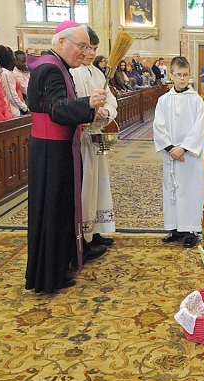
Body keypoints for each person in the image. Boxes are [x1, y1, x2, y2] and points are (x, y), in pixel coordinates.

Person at [25, 20, 109, 294]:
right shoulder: (50, 69)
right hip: (51, 152)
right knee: (54, 212)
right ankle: (51, 275)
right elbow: (57, 109)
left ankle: (56, 267)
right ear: (62, 43)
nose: (85, 52)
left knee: (60, 211)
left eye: (88, 47)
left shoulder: (55, 66)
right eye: (81, 46)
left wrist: (89, 109)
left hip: (55, 149)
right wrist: (88, 104)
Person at [70, 26, 118, 248]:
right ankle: (85, 236)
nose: (90, 53)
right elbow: (76, 100)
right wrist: (90, 110)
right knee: (85, 186)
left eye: (94, 49)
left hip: (97, 135)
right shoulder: (73, 71)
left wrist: (106, 111)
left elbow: (110, 99)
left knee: (100, 183)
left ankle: (97, 230)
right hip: (81, 139)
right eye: (87, 48)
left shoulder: (98, 73)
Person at [153, 56, 204, 249]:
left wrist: (182, 148)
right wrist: (170, 149)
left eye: (185, 75)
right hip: (171, 155)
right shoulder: (163, 100)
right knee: (172, 189)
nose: (182, 79)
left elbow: (199, 128)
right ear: (171, 75)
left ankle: (191, 230)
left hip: (189, 156)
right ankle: (175, 228)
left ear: (189, 75)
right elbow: (158, 126)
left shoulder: (196, 100)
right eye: (178, 75)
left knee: (191, 190)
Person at [0, 45, 29, 117]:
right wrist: (25, 108)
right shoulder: (5, 73)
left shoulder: (8, 72)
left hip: (16, 107)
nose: (14, 58)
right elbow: (12, 96)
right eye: (13, 56)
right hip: (12, 110)